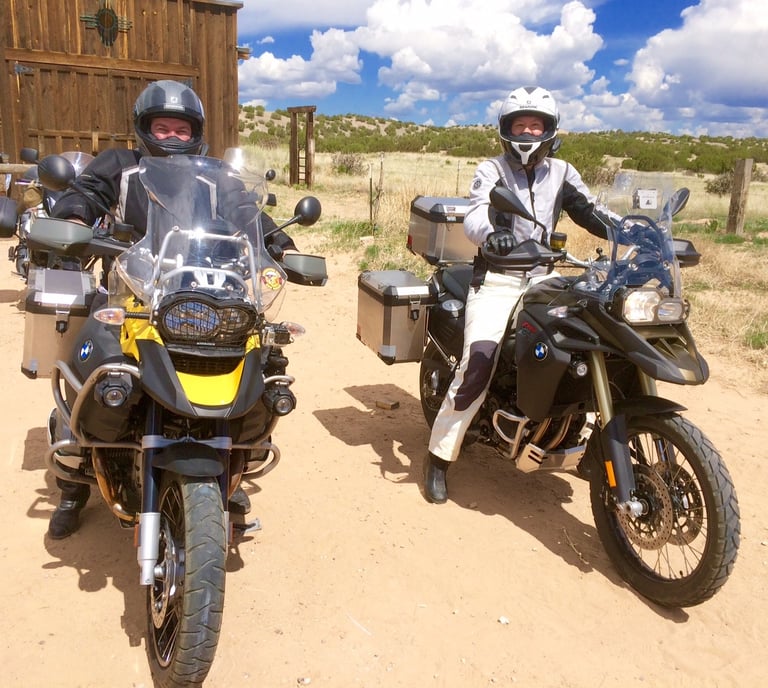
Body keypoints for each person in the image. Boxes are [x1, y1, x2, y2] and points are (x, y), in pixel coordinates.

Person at [48, 80, 296, 538]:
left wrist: (279, 241)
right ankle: (73, 476)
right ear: (144, 129)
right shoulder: (121, 165)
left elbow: (248, 214)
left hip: (207, 293)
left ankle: (229, 461)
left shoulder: (217, 175)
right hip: (132, 291)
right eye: (161, 127)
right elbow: (87, 193)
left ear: (195, 132)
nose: (171, 136)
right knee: (90, 361)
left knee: (254, 359)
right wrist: (75, 219)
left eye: (181, 129)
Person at [424, 85, 617, 504]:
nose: (527, 132)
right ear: (506, 130)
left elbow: (592, 211)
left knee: (591, 340)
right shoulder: (491, 169)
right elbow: (476, 212)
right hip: (497, 279)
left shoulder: (562, 172)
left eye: (536, 125)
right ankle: (439, 457)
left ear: (548, 131)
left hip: (545, 278)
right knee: (479, 362)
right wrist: (492, 236)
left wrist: (636, 231)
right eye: (520, 124)